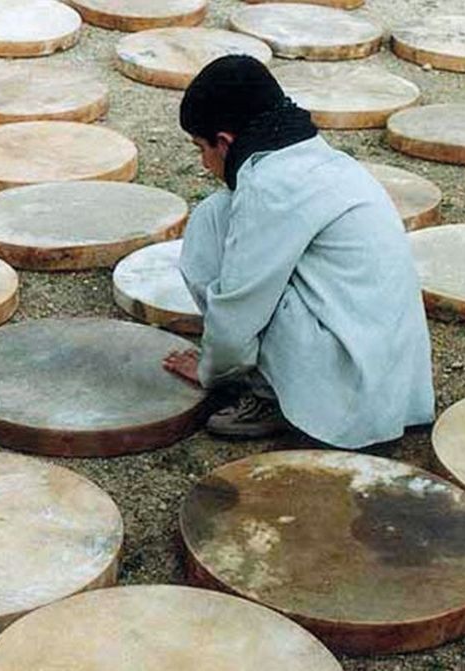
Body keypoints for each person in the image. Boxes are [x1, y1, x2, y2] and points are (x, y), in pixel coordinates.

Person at [162, 55, 434, 448]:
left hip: (349, 393)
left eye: (200, 148)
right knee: (220, 214)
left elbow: (240, 309)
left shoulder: (269, 186)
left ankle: (267, 394)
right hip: (392, 381)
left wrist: (213, 370)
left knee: (212, 232)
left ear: (225, 142)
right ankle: (285, 385)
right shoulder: (313, 155)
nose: (204, 163)